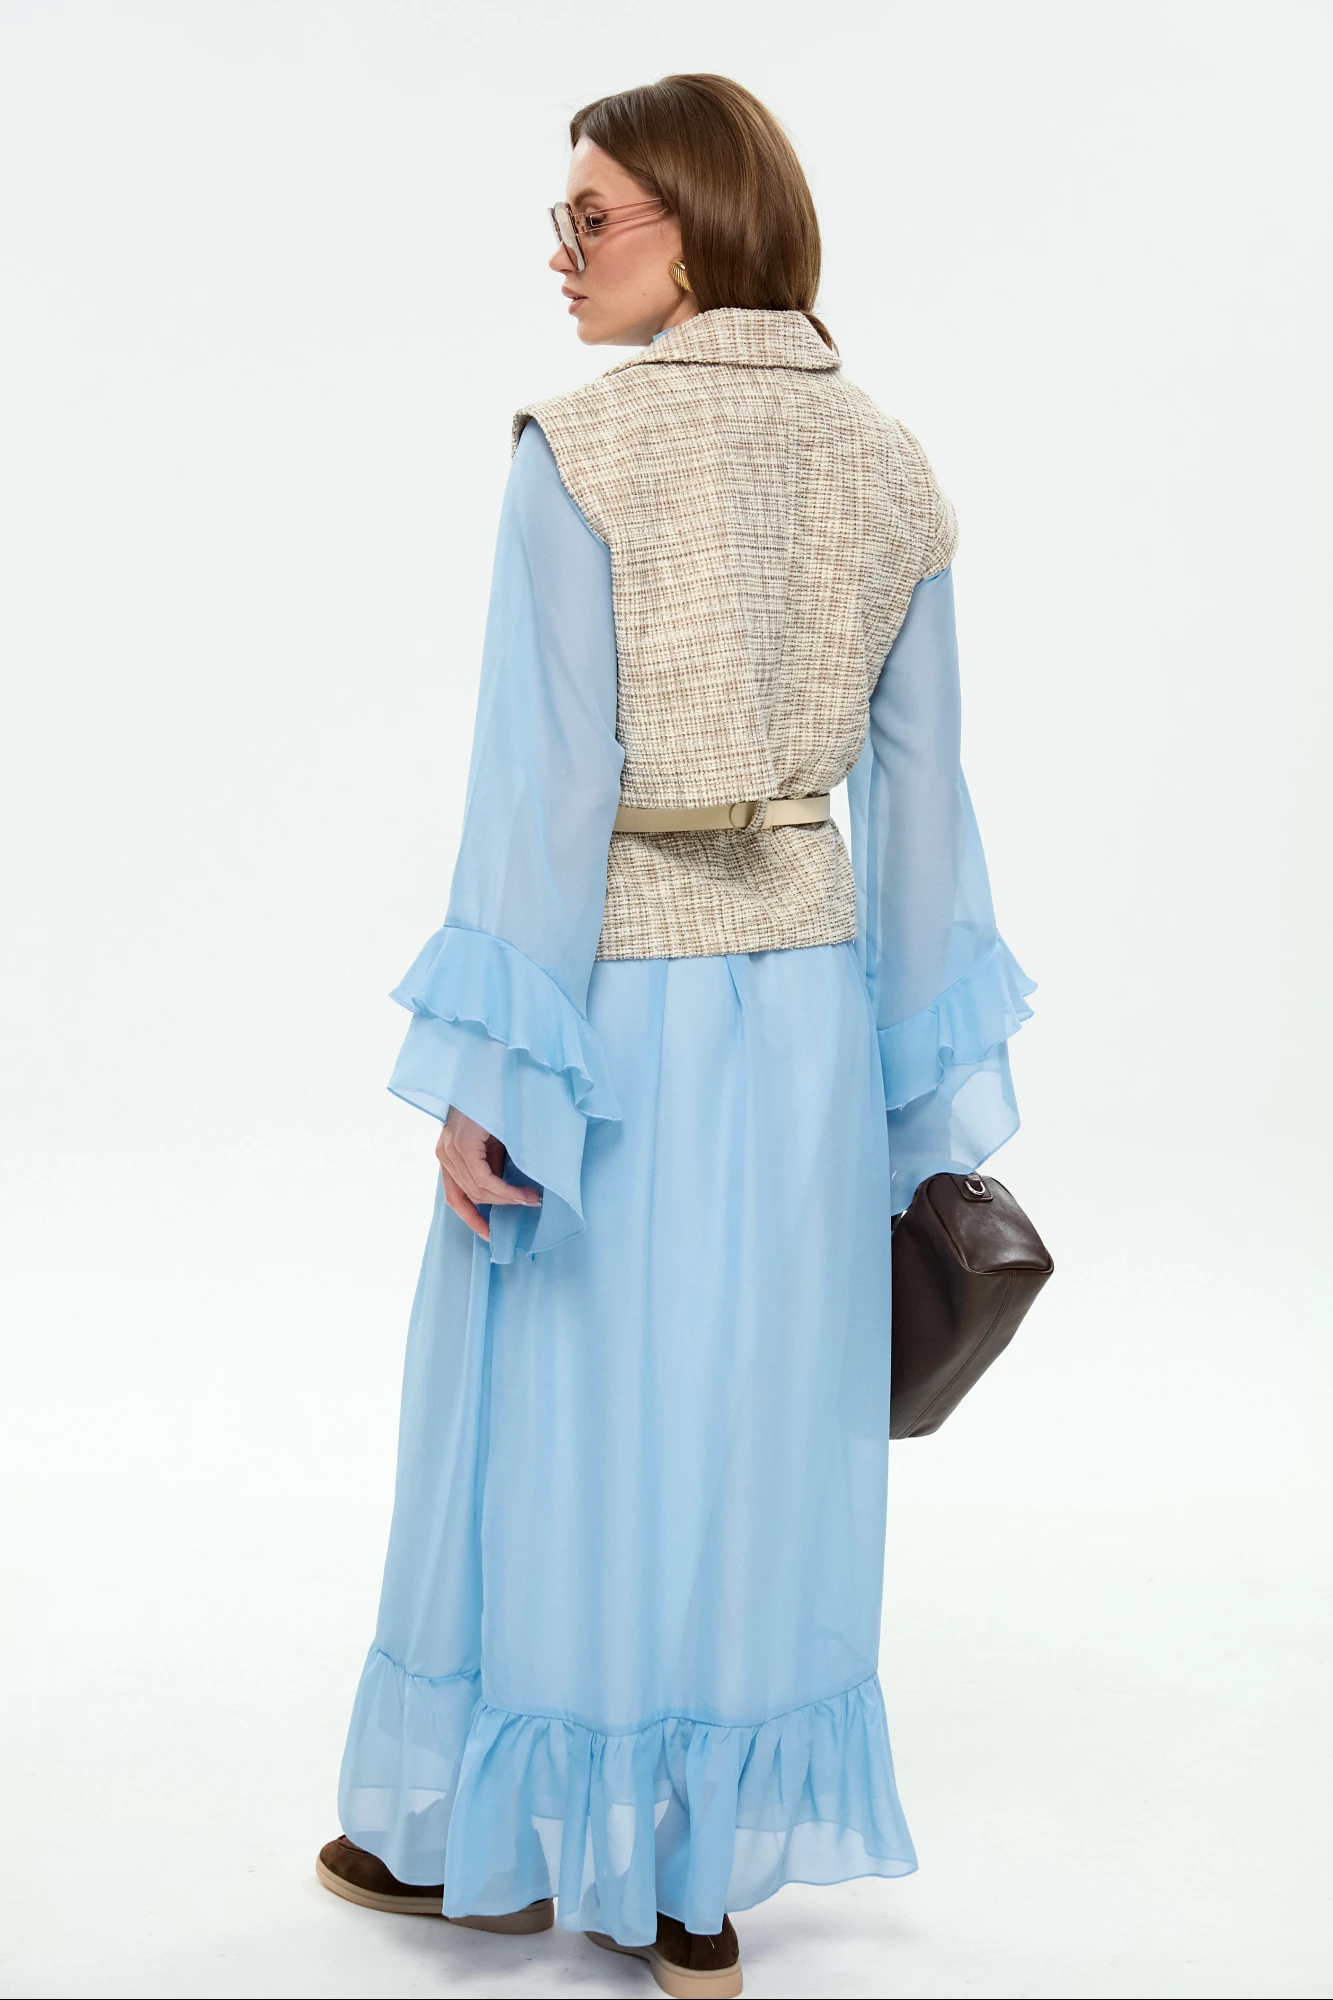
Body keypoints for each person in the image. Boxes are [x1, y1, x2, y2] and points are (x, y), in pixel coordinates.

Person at [316, 72, 1034, 2000]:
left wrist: (492, 1076)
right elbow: (925, 800)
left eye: (593, 217)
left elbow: (546, 788)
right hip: (805, 1018)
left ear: (699, 229)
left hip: (616, 1006)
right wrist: (913, 1101)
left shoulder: (582, 451)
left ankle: (510, 1846)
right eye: (558, 221)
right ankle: (691, 1885)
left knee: (566, 1411)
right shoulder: (893, 463)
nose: (561, 257)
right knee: (748, 1429)